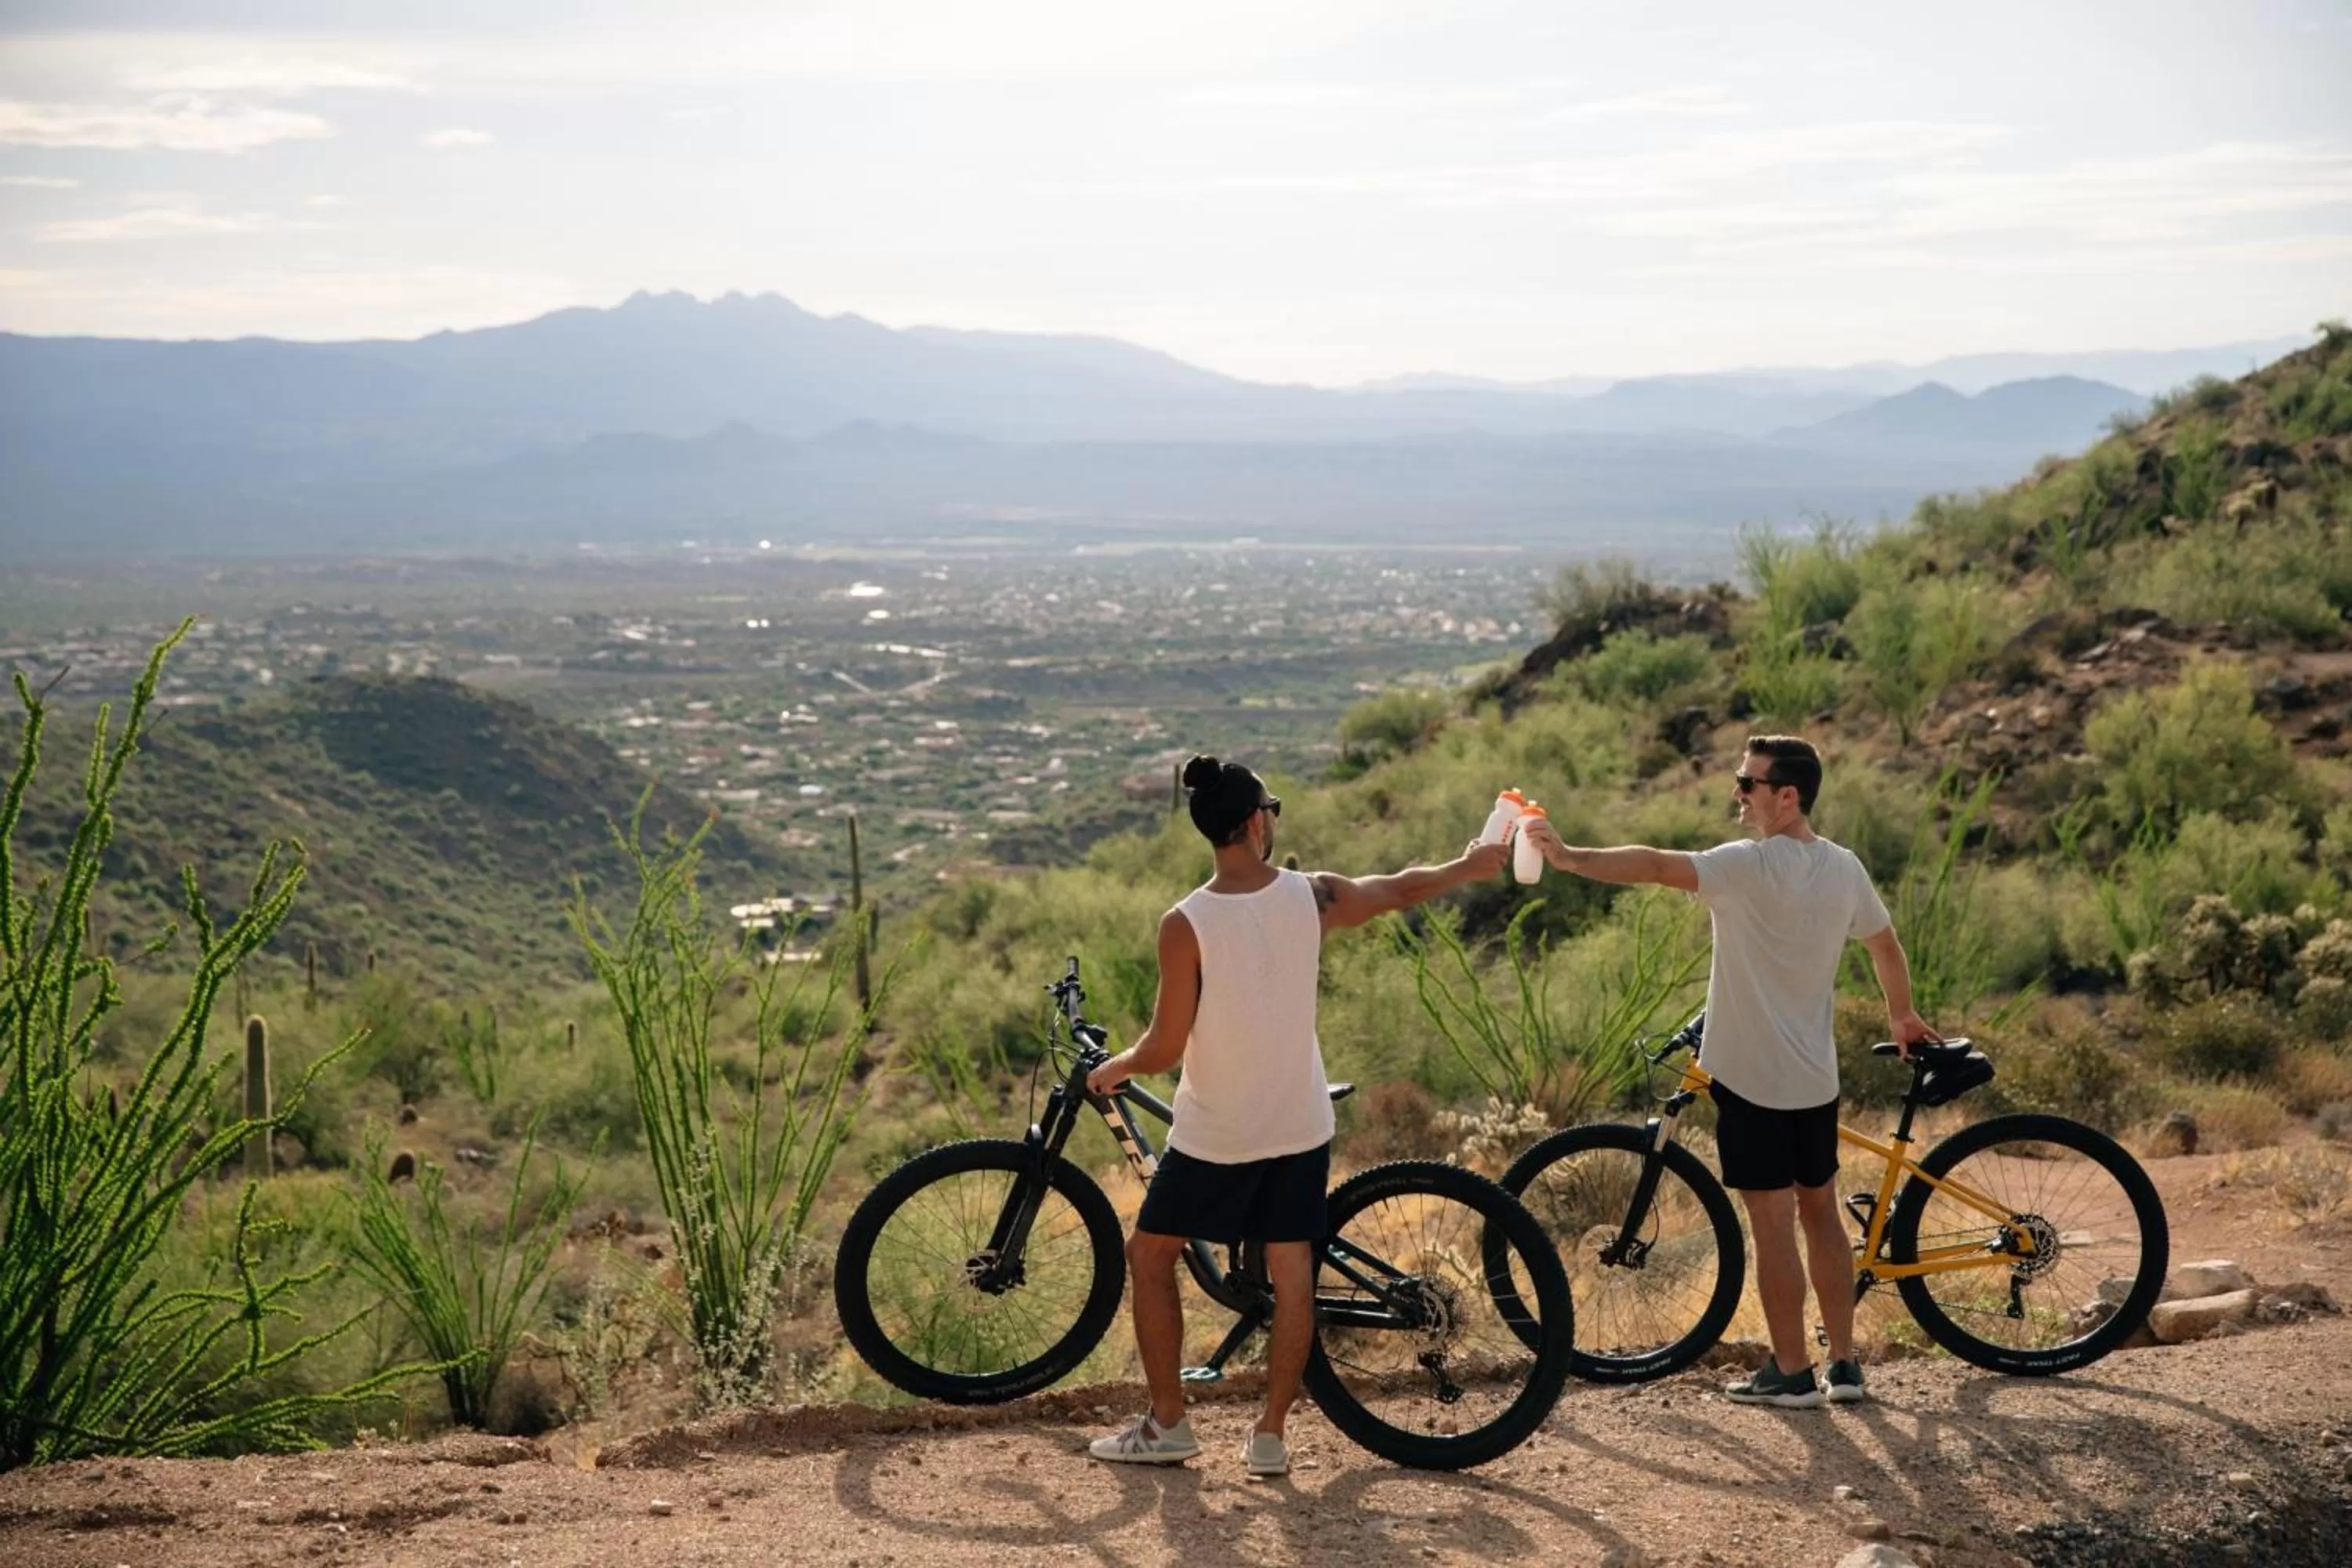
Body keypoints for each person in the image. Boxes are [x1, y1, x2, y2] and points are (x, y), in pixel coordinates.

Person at [1084, 754, 1510, 1475]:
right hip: (1297, 1124)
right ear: (1256, 823)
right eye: (1271, 811)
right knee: (1292, 1280)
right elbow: (1400, 889)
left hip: (1217, 1132)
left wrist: (1115, 1067)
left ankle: (1169, 1424)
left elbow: (1161, 1047)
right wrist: (1470, 866)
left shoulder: (1184, 923)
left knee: (1149, 1257)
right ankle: (1271, 1435)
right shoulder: (1310, 896)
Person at [1519, 734, 1936, 1409]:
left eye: (1748, 783)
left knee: (1774, 1229)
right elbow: (1884, 944)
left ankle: (1793, 1373)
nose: (1737, 794)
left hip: (1752, 1081)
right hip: (1815, 1080)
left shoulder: (1746, 867)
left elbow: (1653, 866)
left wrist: (1568, 857)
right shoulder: (1843, 868)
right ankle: (1847, 1365)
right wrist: (1902, 1015)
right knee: (1822, 1215)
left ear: (1787, 795)